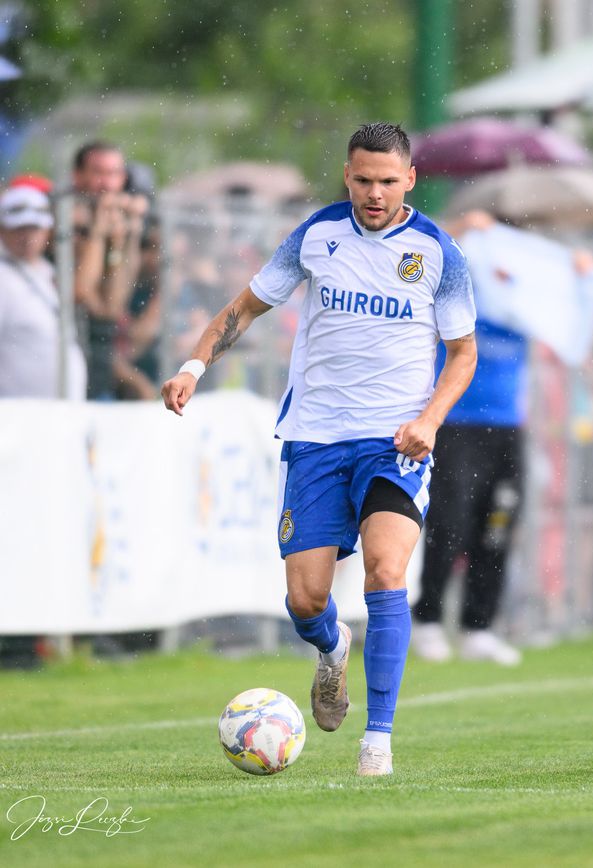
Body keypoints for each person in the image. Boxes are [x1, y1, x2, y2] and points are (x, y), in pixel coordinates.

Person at [160, 123, 477, 776]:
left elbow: (463, 352)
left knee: (387, 571)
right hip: (315, 439)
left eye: (388, 181)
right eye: (363, 179)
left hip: (394, 442)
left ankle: (377, 742)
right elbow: (244, 309)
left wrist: (431, 419)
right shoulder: (317, 236)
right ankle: (331, 652)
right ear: (347, 175)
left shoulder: (439, 253)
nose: (374, 192)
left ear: (410, 179)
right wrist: (193, 366)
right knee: (306, 599)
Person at [410, 210, 593, 666]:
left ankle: (480, 626)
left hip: (507, 427)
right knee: (450, 523)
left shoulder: (529, 299)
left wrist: (580, 276)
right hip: (455, 424)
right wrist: (461, 230)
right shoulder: (459, 287)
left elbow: (574, 320)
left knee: (498, 524)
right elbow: (421, 255)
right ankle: (430, 620)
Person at [72, 141, 149, 400]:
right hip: (66, 358)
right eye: (98, 173)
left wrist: (128, 236)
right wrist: (97, 234)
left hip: (100, 359)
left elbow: (112, 306)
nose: (106, 184)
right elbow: (83, 293)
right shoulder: (63, 220)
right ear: (78, 176)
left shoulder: (116, 221)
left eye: (113, 174)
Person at [0, 184, 87, 399]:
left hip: (53, 414)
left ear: (48, 230)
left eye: (34, 227)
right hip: (16, 415)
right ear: (2, 229)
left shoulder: (48, 272)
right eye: (19, 228)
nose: (27, 236)